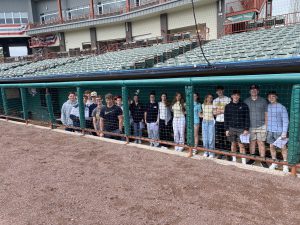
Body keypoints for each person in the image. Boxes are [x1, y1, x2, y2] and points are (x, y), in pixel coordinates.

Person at [244, 85, 269, 167]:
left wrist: (266, 125)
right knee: (252, 143)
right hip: (250, 126)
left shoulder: (263, 100)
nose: (253, 91)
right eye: (252, 90)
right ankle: (252, 159)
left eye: (255, 90)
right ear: (249, 91)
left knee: (261, 143)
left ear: (258, 91)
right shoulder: (246, 101)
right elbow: (244, 115)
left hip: (261, 125)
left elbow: (266, 114)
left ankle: (262, 160)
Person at [224, 90, 250, 164]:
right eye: (234, 95)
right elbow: (226, 118)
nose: (236, 96)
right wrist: (226, 129)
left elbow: (247, 118)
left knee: (241, 145)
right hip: (231, 128)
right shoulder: (228, 106)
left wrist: (246, 129)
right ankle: (234, 159)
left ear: (239, 96)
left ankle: (243, 161)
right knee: (233, 144)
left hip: (241, 129)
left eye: (237, 95)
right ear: (231, 96)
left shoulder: (244, 105)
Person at [267, 91, 289, 173]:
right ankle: (274, 162)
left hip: (279, 132)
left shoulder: (282, 107)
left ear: (277, 97)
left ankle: (285, 164)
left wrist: (284, 132)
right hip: (270, 131)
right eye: (269, 97)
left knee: (283, 148)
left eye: (273, 96)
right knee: (271, 147)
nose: (271, 98)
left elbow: (286, 121)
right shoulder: (268, 106)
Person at [213, 86, 231, 157]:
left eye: (221, 90)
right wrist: (223, 111)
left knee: (227, 138)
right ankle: (221, 153)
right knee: (220, 138)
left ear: (223, 90)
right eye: (218, 90)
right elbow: (214, 113)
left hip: (226, 121)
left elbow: (229, 111)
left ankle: (228, 154)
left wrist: (219, 111)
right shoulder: (215, 100)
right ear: (216, 92)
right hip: (218, 121)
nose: (219, 92)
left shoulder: (228, 99)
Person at [200, 94, 215, 158]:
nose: (209, 99)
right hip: (204, 122)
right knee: (205, 138)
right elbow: (200, 113)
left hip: (211, 122)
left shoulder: (213, 105)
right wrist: (202, 115)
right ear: (206, 98)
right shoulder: (203, 105)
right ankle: (206, 151)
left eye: (211, 98)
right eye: (208, 97)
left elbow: (215, 113)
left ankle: (211, 152)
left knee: (211, 138)